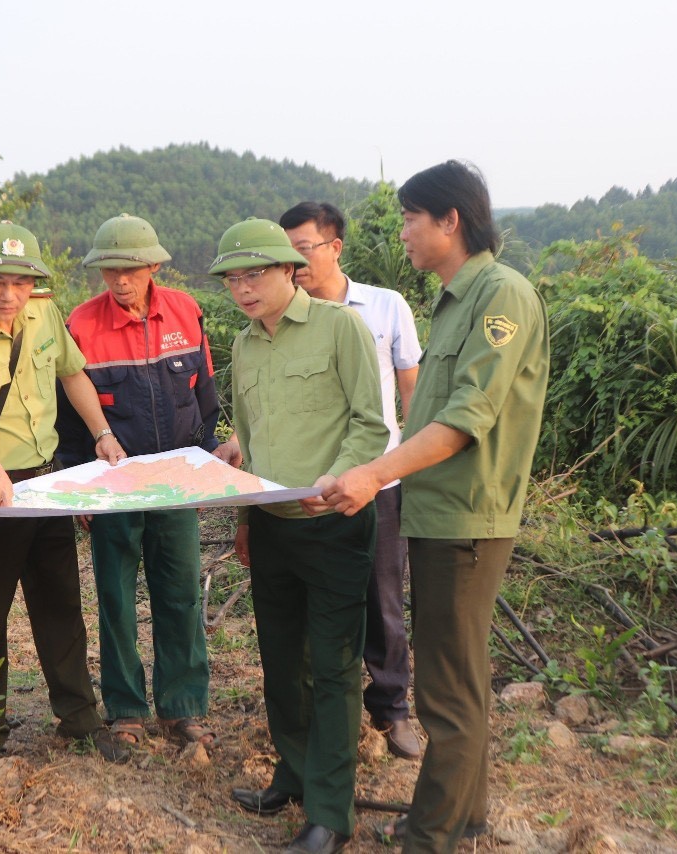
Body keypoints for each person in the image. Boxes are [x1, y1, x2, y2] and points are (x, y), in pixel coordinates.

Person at [317, 161, 550, 852]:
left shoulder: (501, 296)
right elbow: (423, 415)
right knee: (461, 678)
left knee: (447, 689)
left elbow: (463, 418)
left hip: (467, 517)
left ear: (451, 220)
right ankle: (462, 815)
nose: (405, 234)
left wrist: (374, 474)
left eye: (412, 220)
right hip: (439, 511)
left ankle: (432, 834)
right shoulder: (454, 301)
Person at [0, 221, 129, 768]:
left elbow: (73, 374)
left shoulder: (42, 312)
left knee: (61, 604)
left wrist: (102, 434)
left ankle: (79, 720)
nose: (8, 295)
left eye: (19, 282)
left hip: (45, 483)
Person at [215, 218, 389, 854]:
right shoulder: (243, 347)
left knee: (337, 668)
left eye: (255, 273)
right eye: (233, 278)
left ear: (291, 269)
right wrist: (243, 519)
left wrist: (338, 478)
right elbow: (252, 441)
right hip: (272, 525)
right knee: (282, 662)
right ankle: (291, 773)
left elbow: (372, 427)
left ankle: (330, 815)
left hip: (334, 524)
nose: (243, 288)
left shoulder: (341, 327)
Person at [55, 214, 226, 752]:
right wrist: (79, 485)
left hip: (176, 482)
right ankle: (126, 708)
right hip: (113, 486)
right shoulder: (81, 324)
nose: (119, 280)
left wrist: (200, 471)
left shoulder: (185, 312)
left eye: (130, 269)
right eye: (109, 270)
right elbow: (68, 418)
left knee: (179, 594)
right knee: (116, 596)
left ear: (153, 265)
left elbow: (205, 398)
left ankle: (182, 708)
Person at [281, 201, 423, 759]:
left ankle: (392, 709)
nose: (293, 266)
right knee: (317, 601)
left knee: (383, 598)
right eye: (284, 254)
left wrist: (411, 463)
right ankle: (322, 708)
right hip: (311, 489)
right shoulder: (281, 318)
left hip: (379, 484)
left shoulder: (385, 308)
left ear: (335, 247)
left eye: (303, 251)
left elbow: (412, 393)